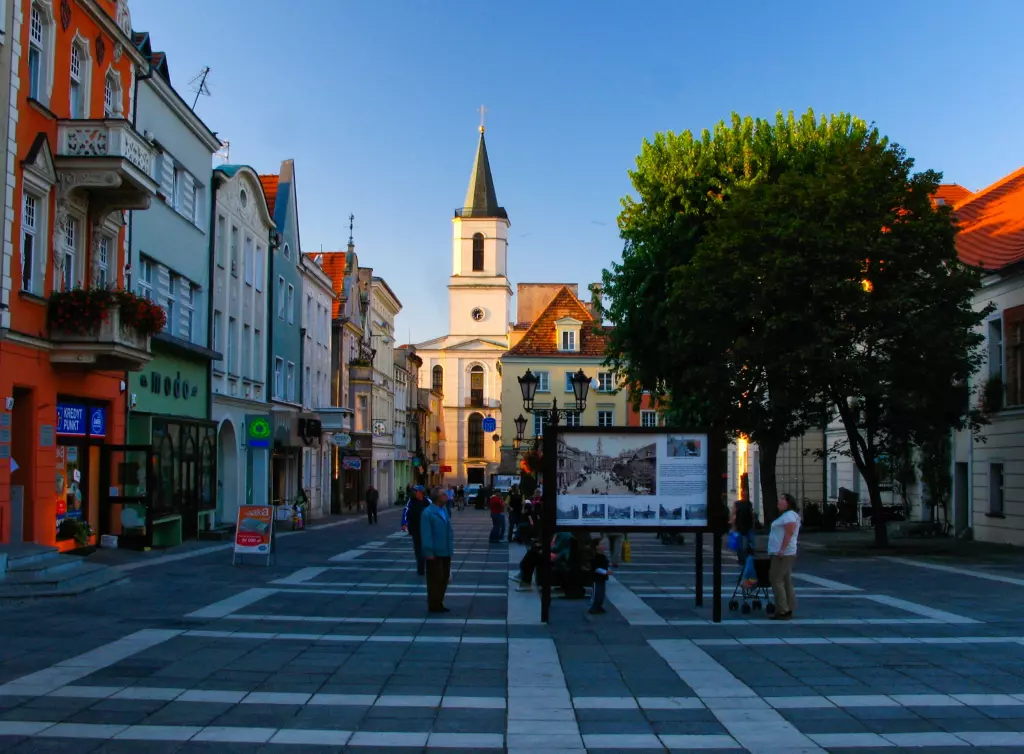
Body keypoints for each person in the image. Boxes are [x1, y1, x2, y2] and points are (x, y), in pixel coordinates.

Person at [768, 493, 801, 621]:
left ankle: (782, 610)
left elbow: (789, 533)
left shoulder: (790, 516)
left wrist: (781, 550)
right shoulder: (786, 516)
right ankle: (789, 606)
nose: (778, 501)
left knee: (776, 579)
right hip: (782, 552)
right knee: (785, 580)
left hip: (783, 554)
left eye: (781, 499)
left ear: (788, 502)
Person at [421, 488, 454, 613]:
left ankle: (439, 601)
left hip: (446, 550)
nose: (447, 496)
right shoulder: (428, 513)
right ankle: (434, 604)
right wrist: (428, 552)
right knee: (435, 578)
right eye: (444, 494)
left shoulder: (444, 510)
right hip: (434, 552)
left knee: (444, 577)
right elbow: (426, 534)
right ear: (437, 497)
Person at [406, 486, 430, 575]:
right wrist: (410, 528)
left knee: (422, 549)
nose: (414, 493)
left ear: (420, 492)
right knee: (418, 549)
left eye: (416, 491)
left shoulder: (426, 502)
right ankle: (421, 568)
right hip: (415, 529)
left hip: (424, 529)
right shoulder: (412, 502)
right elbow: (409, 516)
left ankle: (423, 567)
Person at [730, 495, 756, 565]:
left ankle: (743, 559)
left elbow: (733, 514)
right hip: (745, 526)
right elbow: (751, 515)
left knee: (743, 543)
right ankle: (748, 557)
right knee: (747, 543)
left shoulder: (740, 503)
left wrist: (733, 525)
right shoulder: (747, 503)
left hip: (742, 526)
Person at [589, 539, 610, 615]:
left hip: (602, 578)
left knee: (601, 592)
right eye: (601, 544)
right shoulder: (596, 557)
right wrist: (605, 572)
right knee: (596, 592)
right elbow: (596, 568)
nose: (603, 546)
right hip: (597, 578)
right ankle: (594, 605)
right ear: (596, 547)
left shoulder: (603, 556)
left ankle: (599, 605)